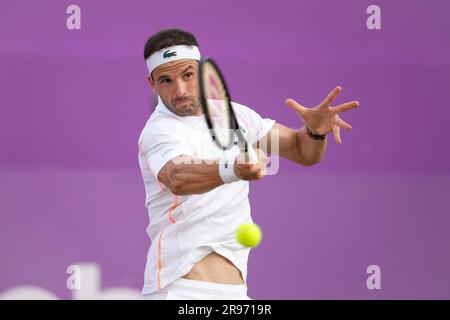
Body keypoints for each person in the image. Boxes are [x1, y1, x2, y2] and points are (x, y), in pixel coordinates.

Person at [138, 28, 359, 300]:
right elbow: (177, 177)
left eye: (187, 75)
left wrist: (315, 131)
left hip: (234, 294)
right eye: (166, 80)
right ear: (152, 83)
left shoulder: (236, 115)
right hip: (179, 291)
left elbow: (303, 152)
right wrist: (231, 168)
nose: (180, 90)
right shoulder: (160, 131)